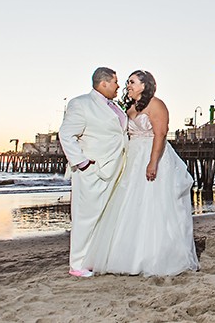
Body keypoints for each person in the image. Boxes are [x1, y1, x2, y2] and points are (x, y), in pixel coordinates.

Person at [85, 70, 199, 276]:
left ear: (144, 85)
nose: (127, 85)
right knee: (131, 204)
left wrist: (153, 162)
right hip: (133, 159)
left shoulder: (156, 104)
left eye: (132, 82)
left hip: (151, 156)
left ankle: (156, 255)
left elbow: (161, 134)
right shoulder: (130, 108)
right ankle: (127, 255)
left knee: (154, 204)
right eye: (127, 82)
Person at [58, 67, 128, 278]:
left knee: (105, 216)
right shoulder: (81, 104)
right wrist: (82, 163)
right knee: (86, 217)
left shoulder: (114, 106)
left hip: (115, 168)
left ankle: (95, 259)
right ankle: (77, 265)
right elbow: (66, 134)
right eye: (115, 82)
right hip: (93, 170)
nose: (118, 86)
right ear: (103, 83)